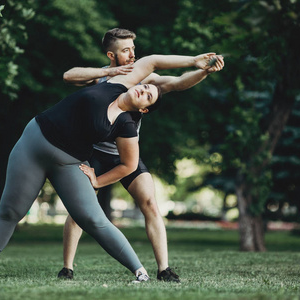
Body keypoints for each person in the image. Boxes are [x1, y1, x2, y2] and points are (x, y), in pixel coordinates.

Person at [0, 49, 222, 282]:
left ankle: (141, 272)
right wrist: (193, 60)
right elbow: (152, 62)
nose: (143, 90)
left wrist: (97, 181)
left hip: (69, 161)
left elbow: (129, 164)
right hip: (34, 142)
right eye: (145, 87)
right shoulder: (117, 82)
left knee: (94, 218)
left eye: (148, 96)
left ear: (144, 110)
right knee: (10, 211)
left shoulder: (127, 127)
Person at [58, 28, 225, 282]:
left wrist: (203, 71)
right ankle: (67, 268)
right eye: (126, 50)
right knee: (80, 210)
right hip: (94, 155)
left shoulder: (144, 79)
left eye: (133, 49)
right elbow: (69, 76)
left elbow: (178, 83)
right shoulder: (103, 79)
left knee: (150, 203)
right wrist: (106, 72)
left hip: (126, 157)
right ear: (111, 55)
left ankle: (164, 269)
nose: (132, 55)